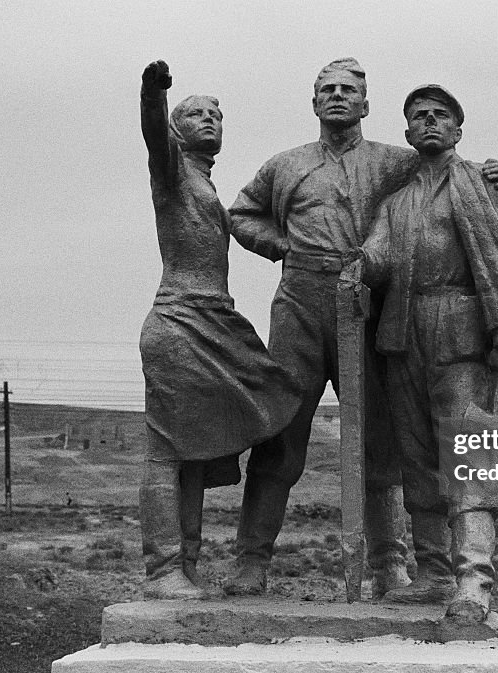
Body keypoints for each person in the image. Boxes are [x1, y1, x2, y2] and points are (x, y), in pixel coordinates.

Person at [224, 58, 498, 599]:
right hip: (301, 304)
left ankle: (393, 566)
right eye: (327, 90)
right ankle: (251, 562)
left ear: (366, 105)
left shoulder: (397, 163)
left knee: (385, 443)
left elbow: (454, 175)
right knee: (280, 435)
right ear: (314, 102)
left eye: (350, 91)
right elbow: (241, 215)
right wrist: (283, 246)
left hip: (372, 311)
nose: (338, 97)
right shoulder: (285, 166)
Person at [358, 84, 498, 622]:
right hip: (405, 334)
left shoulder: (489, 186)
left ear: (458, 130)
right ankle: (433, 571)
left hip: (464, 331)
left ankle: (473, 580)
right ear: (408, 134)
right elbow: (379, 256)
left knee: (469, 452)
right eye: (419, 116)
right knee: (417, 458)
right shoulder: (396, 202)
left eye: (440, 115)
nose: (429, 121)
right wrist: (356, 265)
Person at [137, 60, 300, 600]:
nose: (208, 119)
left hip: (214, 319)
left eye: (216, 115)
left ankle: (187, 565)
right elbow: (154, 141)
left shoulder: (205, 181)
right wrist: (153, 95)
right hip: (180, 321)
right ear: (177, 129)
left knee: (204, 444)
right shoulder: (174, 171)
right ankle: (165, 570)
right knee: (168, 451)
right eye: (195, 114)